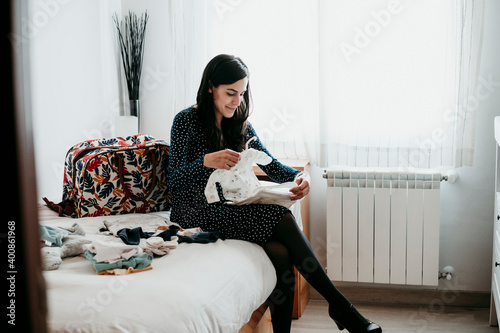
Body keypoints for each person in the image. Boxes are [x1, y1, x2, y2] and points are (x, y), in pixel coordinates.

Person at [167, 54, 382, 333]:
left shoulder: (239, 122)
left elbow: (273, 166)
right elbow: (174, 183)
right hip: (193, 211)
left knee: (281, 253)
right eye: (230, 93)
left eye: (242, 93)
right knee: (279, 216)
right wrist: (206, 162)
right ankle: (340, 307)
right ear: (211, 87)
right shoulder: (186, 121)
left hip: (230, 205)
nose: (236, 101)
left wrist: (299, 177)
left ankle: (328, 313)